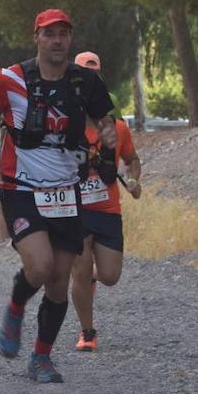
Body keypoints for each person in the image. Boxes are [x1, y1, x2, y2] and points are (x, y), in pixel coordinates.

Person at [0, 9, 117, 384]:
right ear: (36, 37)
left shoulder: (86, 82)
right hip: (21, 189)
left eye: (63, 34)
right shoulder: (11, 79)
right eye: (49, 34)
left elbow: (106, 120)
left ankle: (41, 357)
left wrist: (108, 133)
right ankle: (17, 304)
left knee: (58, 280)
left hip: (67, 192)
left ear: (70, 39)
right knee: (39, 267)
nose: (57, 41)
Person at [67, 51, 142, 352]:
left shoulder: (118, 129)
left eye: (94, 80)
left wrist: (134, 180)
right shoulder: (65, 128)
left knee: (110, 276)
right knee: (80, 270)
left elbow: (132, 160)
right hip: (76, 211)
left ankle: (91, 278)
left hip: (109, 210)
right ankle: (87, 332)